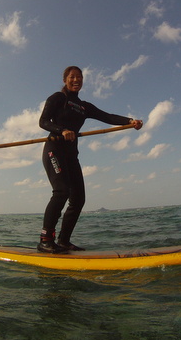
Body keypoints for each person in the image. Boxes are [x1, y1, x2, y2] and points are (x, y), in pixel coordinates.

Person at [38, 66, 143, 253]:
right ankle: (45, 240)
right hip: (54, 150)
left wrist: (130, 121)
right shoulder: (58, 98)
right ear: (65, 80)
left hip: (71, 155)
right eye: (72, 77)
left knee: (78, 199)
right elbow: (43, 121)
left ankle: (63, 241)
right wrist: (62, 130)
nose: (76, 80)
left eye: (79, 77)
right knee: (61, 191)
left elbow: (107, 116)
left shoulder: (84, 106)